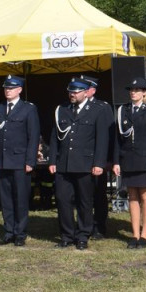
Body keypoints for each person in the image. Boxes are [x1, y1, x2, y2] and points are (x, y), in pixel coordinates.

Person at [49, 77, 110, 250]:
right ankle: (67, 235)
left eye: (76, 92)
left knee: (85, 201)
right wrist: (52, 159)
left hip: (85, 163)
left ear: (85, 92)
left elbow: (102, 139)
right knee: (62, 199)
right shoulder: (62, 109)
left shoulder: (97, 110)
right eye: (70, 92)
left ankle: (83, 234)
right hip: (64, 164)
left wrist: (99, 163)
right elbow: (55, 137)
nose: (72, 95)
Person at [0, 75, 40, 247]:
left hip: (19, 160)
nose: (8, 91)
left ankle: (20, 233)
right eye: (6, 88)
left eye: (11, 88)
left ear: (19, 90)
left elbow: (33, 137)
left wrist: (30, 161)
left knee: (20, 198)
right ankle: (8, 231)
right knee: (6, 199)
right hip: (2, 161)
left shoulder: (28, 109)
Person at [113, 78, 146, 249]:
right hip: (128, 159)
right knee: (132, 196)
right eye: (131, 90)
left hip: (145, 159)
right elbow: (118, 138)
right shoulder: (123, 110)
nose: (133, 92)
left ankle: (145, 234)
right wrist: (116, 161)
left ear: (144, 93)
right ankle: (134, 234)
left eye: (137, 90)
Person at [79, 75, 115, 239]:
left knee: (98, 195)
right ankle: (84, 225)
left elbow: (108, 136)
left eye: (85, 88)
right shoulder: (76, 106)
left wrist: (107, 159)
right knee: (83, 196)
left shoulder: (102, 107)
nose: (83, 91)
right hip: (80, 159)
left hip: (97, 159)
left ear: (92, 90)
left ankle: (99, 226)